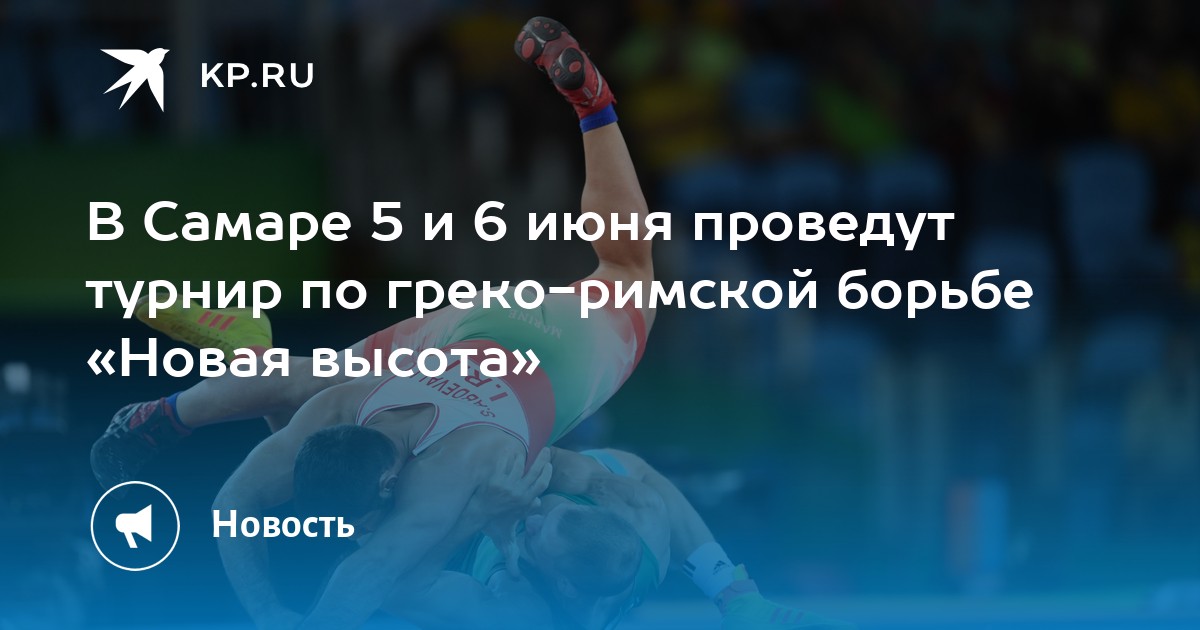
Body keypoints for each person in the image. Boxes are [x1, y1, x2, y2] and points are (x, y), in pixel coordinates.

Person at [90, 15, 654, 629]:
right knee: (621, 264)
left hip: (523, 344)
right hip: (496, 337)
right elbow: (243, 509)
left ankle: (595, 108)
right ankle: (168, 412)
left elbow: (347, 566)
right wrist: (269, 613)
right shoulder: (341, 413)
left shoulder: (394, 448)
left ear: (390, 481)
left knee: (627, 266)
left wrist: (274, 612)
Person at [408, 447, 856, 630]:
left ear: (564, 583)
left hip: (459, 540)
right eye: (559, 513)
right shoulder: (644, 531)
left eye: (537, 533)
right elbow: (633, 470)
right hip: (605, 528)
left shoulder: (514, 612)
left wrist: (477, 513)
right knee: (632, 476)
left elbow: (402, 583)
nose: (533, 519)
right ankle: (739, 599)